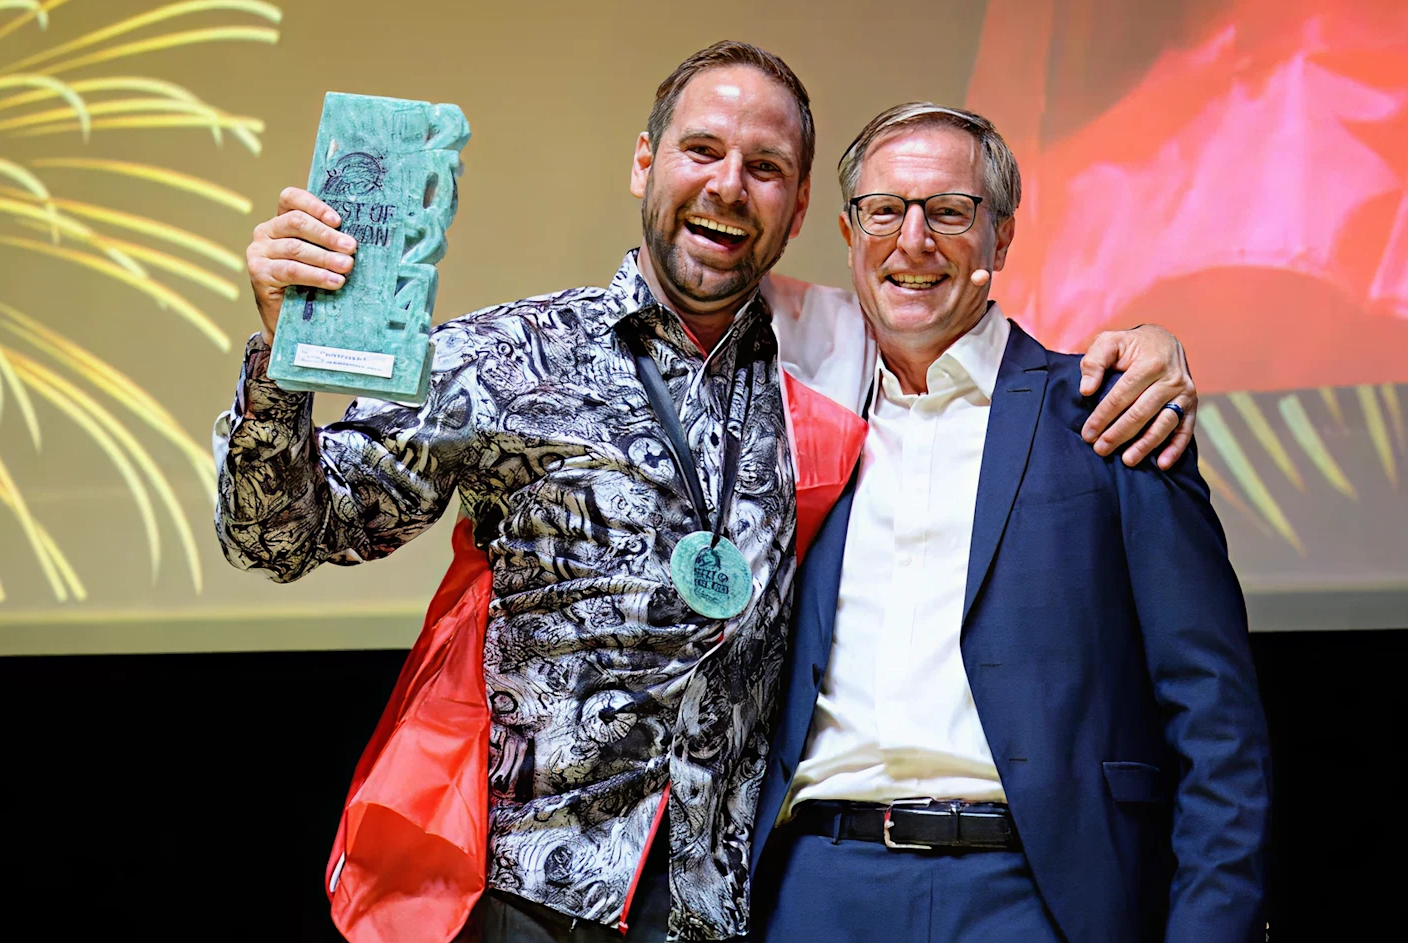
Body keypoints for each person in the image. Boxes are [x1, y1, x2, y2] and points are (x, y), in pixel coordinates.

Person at [220, 43, 1198, 943]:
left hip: (717, 912)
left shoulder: (830, 358)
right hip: (518, 895)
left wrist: (1146, 352)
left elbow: (957, 328)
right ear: (644, 163)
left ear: (800, 202)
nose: (726, 186)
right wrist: (279, 364)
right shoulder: (507, 359)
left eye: (763, 167)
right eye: (700, 150)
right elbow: (281, 537)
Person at [747, 103, 1270, 943]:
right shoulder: (794, 415)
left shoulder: (1109, 414)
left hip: (1032, 894)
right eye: (885, 210)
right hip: (817, 887)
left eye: (949, 212)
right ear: (848, 231)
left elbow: (1215, 722)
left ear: (1000, 237)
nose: (912, 241)